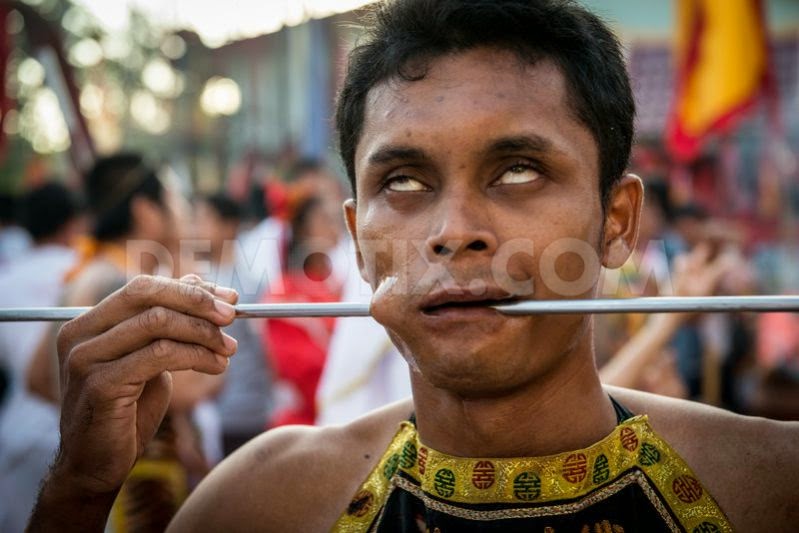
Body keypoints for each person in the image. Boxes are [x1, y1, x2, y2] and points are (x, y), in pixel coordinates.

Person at [29, 1, 799, 531]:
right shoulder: (265, 502)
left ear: (617, 221)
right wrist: (77, 491)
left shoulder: (770, 488)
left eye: (519, 169)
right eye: (404, 181)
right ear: (359, 240)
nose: (454, 231)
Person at [0, 182, 83, 532]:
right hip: (80, 433)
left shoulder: (6, 277)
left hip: (15, 431)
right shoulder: (85, 269)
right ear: (72, 223)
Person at [194, 193, 273, 456]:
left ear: (228, 226)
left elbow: (268, 349)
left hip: (246, 410)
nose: (196, 228)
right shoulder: (197, 277)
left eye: (204, 219)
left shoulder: (251, 283)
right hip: (208, 412)